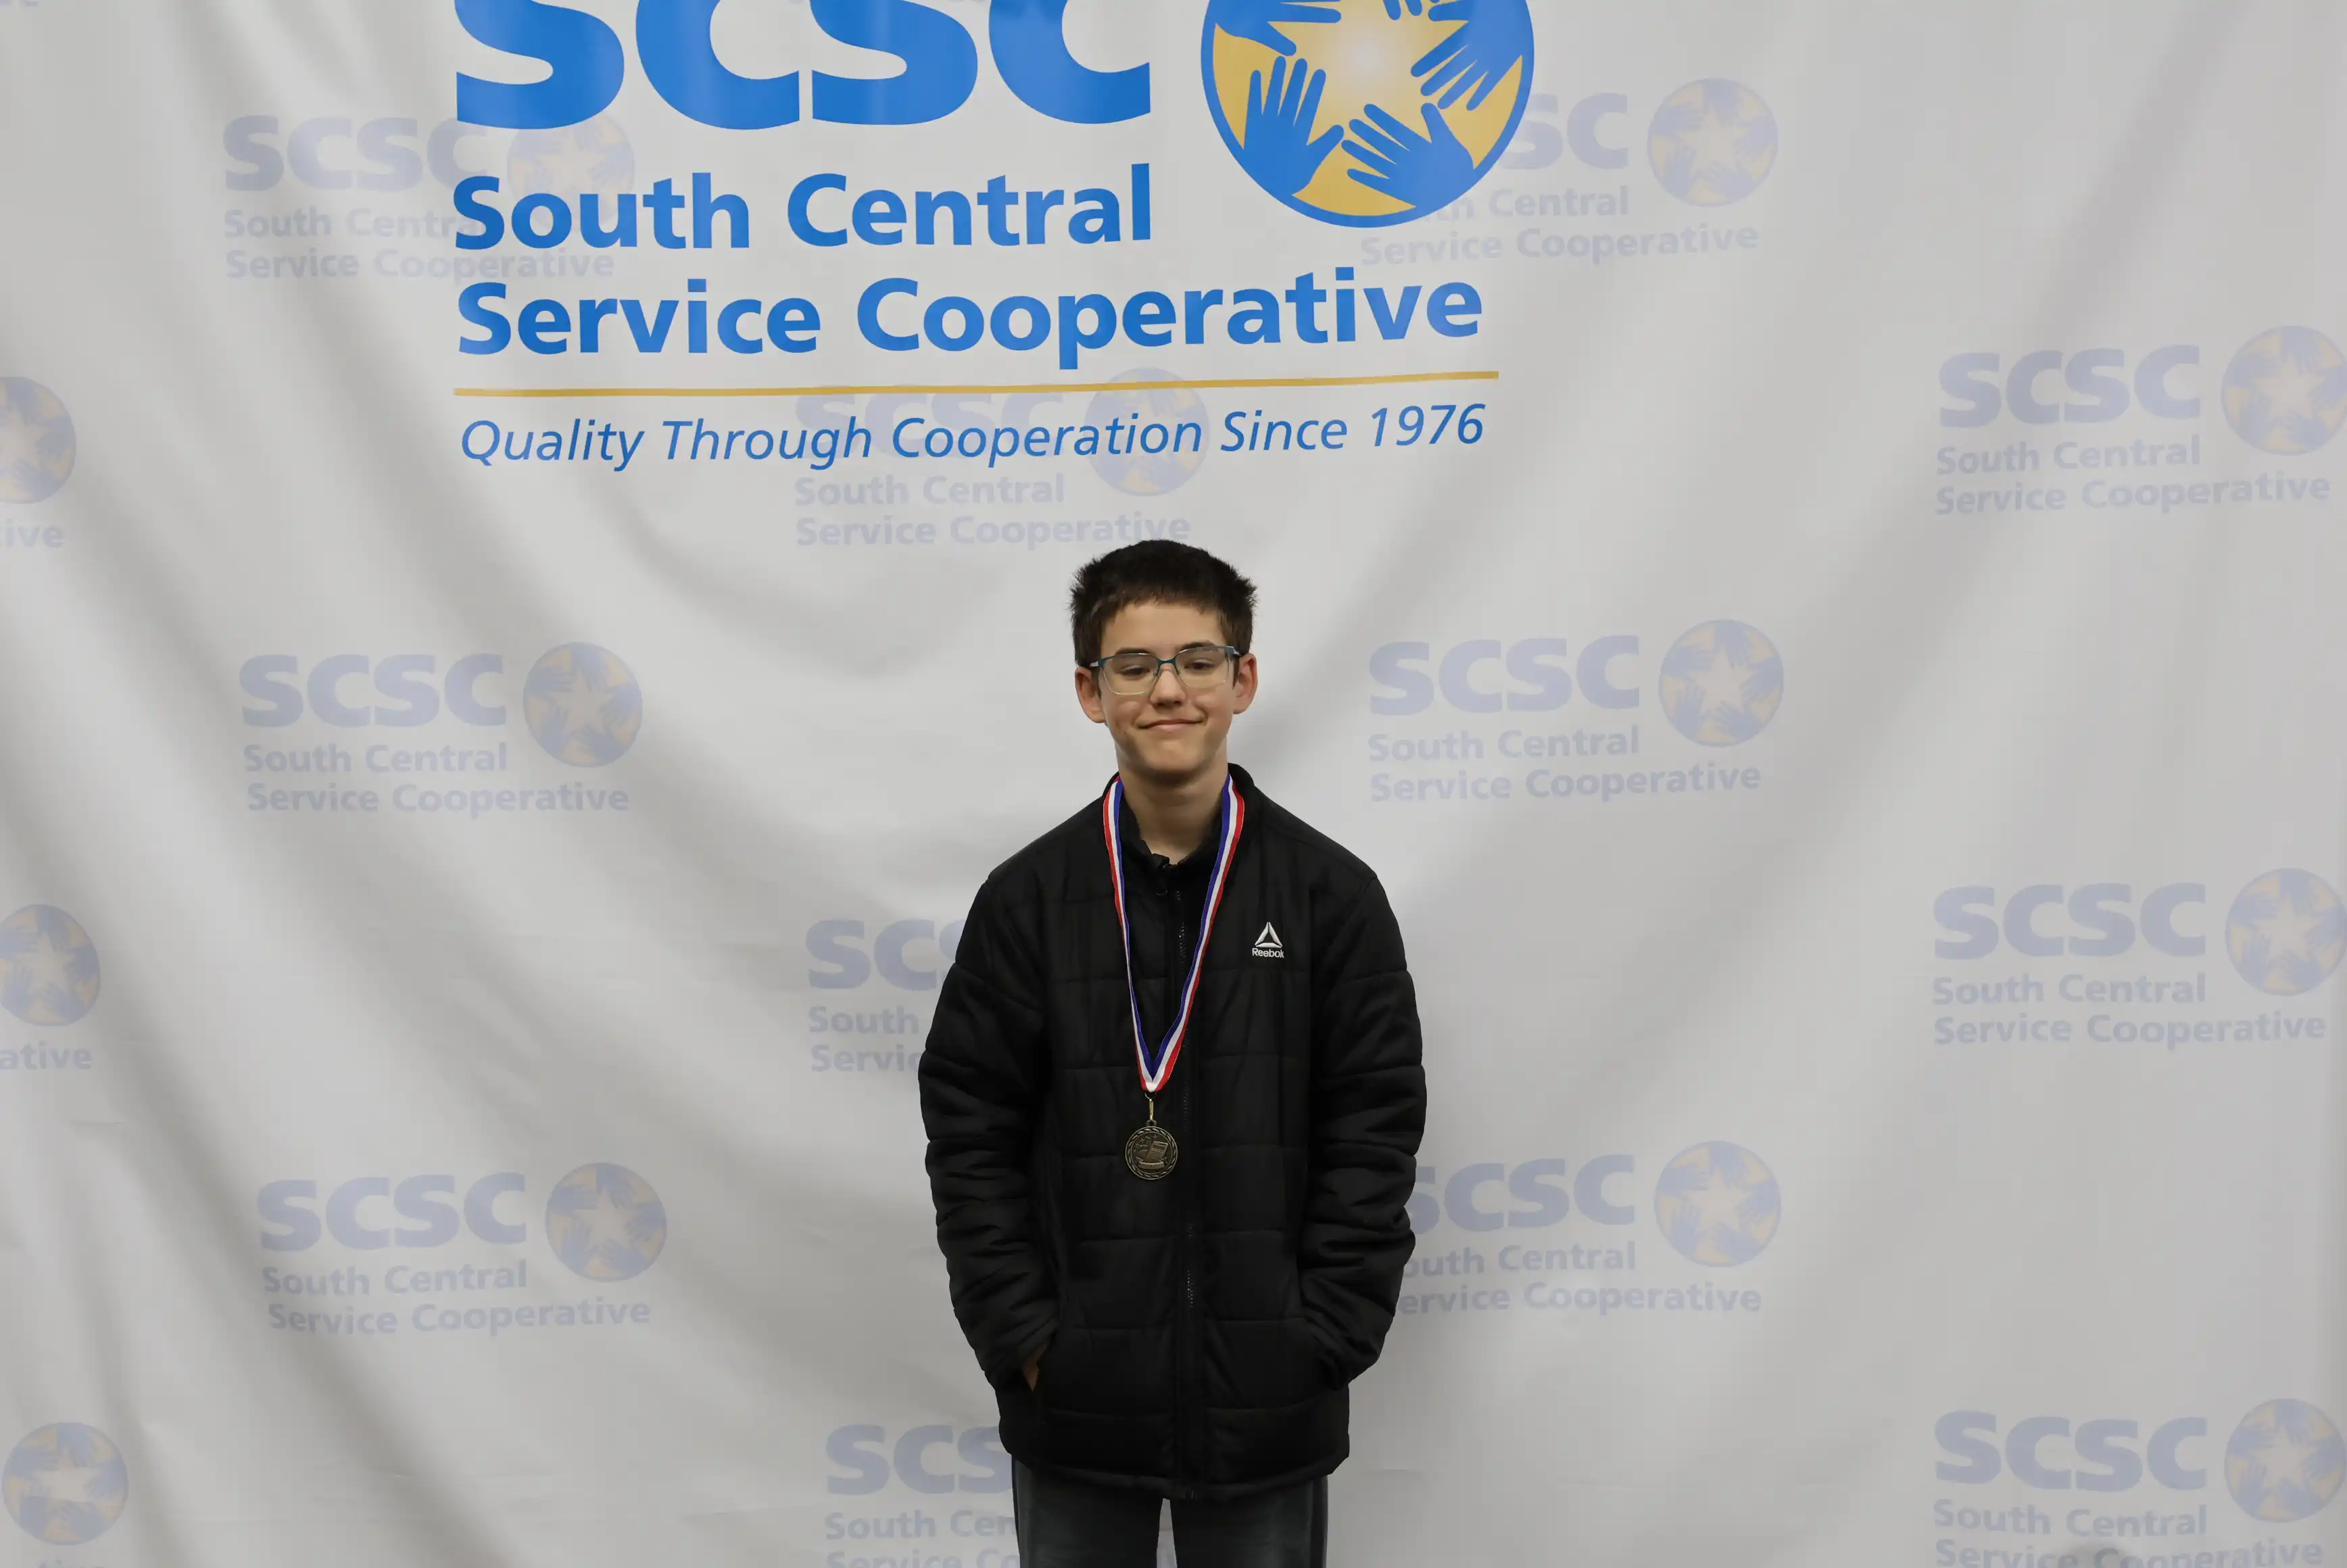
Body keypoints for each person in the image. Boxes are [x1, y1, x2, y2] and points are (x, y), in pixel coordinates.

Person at [918, 541, 1427, 1567]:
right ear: (1088, 692)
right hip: (1076, 1403)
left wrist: (1322, 1337)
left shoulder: (1332, 898)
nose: (1168, 690)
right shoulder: (1027, 903)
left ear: (1243, 678)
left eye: (1197, 660)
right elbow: (969, 1131)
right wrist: (1024, 1340)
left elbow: (1373, 1131)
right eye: (1133, 666)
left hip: (1268, 1401)